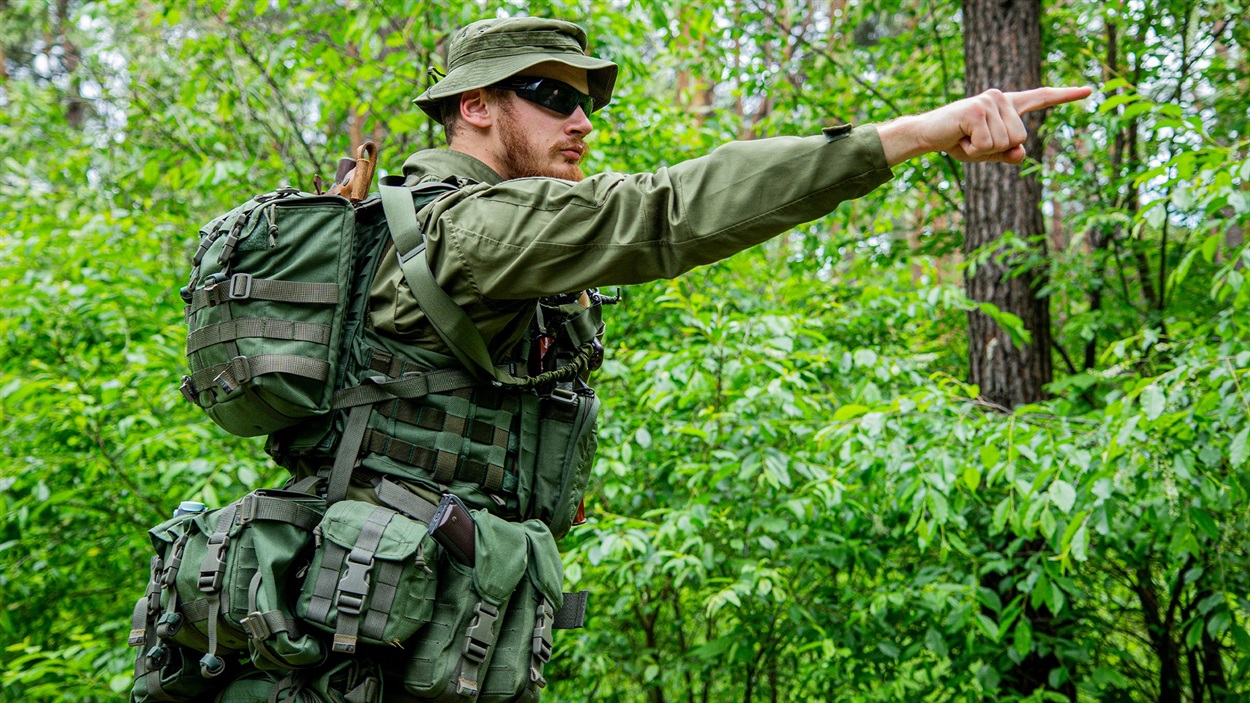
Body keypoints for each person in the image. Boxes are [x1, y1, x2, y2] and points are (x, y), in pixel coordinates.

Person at [367, 16, 1091, 360]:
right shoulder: (462, 229)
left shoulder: (467, 226)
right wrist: (916, 134)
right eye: (551, 94)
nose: (582, 121)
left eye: (587, 100)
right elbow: (667, 208)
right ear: (475, 106)